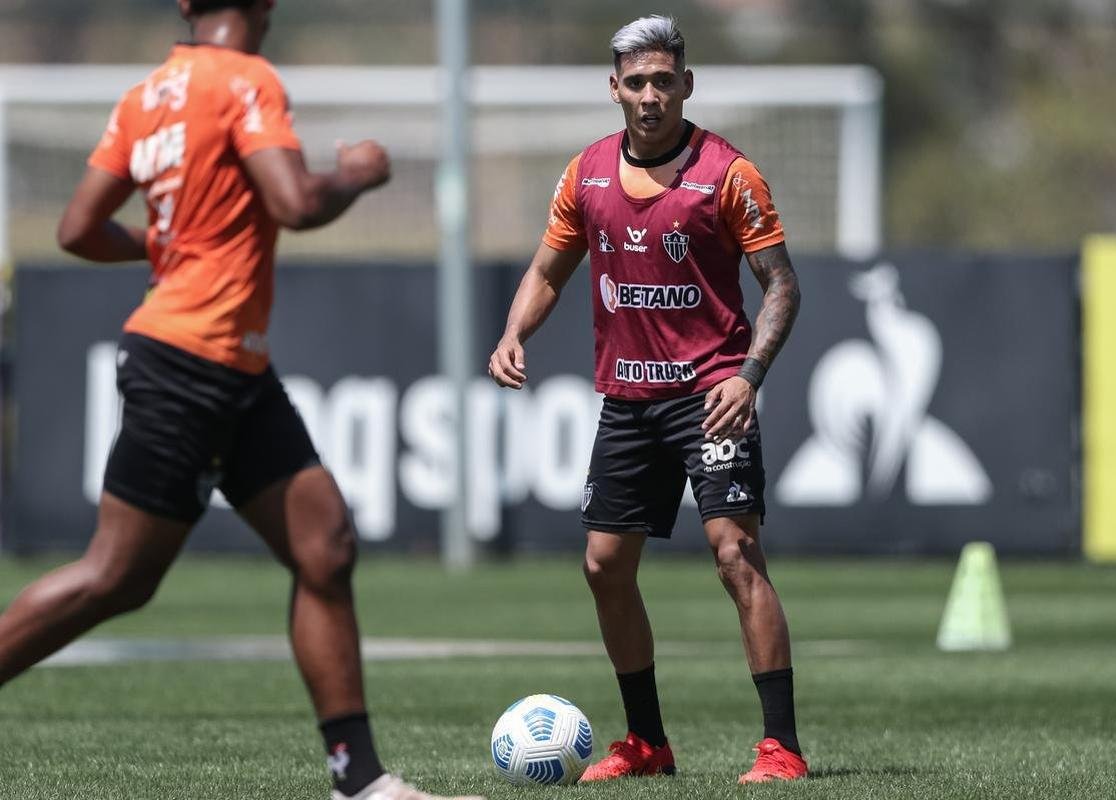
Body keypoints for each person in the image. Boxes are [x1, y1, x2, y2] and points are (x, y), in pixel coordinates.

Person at [0, 3, 481, 800]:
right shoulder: (247, 78)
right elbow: (295, 203)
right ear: (266, 6)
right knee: (114, 577)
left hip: (227, 367)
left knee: (324, 544)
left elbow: (79, 229)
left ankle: (357, 780)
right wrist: (358, 173)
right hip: (189, 363)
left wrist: (162, 248)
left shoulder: (147, 94)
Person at [487, 14, 806, 785]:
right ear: (615, 90)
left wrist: (749, 375)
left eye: (665, 81)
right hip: (626, 400)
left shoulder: (728, 174)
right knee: (603, 567)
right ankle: (646, 743)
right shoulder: (586, 173)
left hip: (710, 397)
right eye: (636, 83)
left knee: (735, 555)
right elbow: (547, 270)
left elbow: (783, 286)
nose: (651, 96)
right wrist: (512, 331)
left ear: (687, 85)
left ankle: (781, 748)